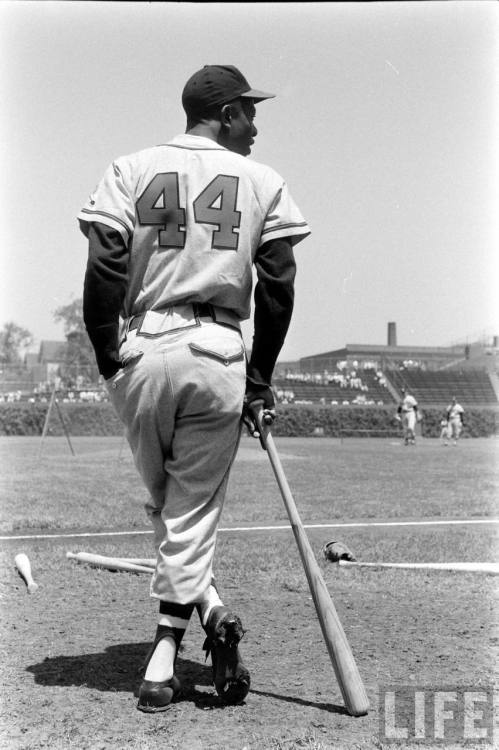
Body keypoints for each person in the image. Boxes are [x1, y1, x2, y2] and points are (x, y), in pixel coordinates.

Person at [77, 64, 310, 713]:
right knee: (185, 515)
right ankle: (162, 656)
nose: (255, 125)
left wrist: (105, 354)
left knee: (167, 511)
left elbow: (104, 264)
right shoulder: (262, 180)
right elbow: (280, 284)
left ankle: (205, 612)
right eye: (250, 111)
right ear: (227, 112)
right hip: (216, 349)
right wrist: (259, 380)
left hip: (142, 347)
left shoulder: (130, 165)